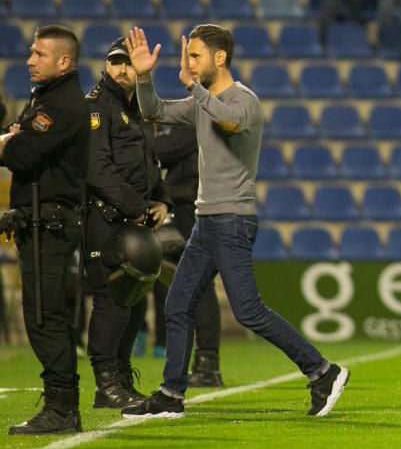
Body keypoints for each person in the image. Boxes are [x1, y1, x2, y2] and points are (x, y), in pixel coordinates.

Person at [120, 25, 349, 419]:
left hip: (232, 221)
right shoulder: (203, 101)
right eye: (188, 55)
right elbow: (153, 110)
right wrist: (144, 78)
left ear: (219, 57)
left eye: (195, 56)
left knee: (248, 310)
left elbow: (228, 122)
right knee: (177, 304)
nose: (188, 63)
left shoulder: (244, 100)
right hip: (208, 221)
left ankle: (323, 372)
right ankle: (171, 394)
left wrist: (193, 87)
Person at [2, 26, 89, 435]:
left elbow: (21, 154)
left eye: (38, 54)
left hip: (49, 225)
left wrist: (13, 141)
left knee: (45, 317)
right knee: (42, 315)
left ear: (63, 62)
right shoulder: (48, 99)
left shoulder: (63, 105)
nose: (29, 60)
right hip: (40, 221)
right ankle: (60, 406)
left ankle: (62, 408)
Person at [84, 38, 171, 410]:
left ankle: (120, 377)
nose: (121, 69)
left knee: (133, 303)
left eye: (127, 64)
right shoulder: (97, 106)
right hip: (104, 218)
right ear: (106, 66)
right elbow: (97, 169)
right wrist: (138, 206)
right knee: (110, 302)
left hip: (133, 220)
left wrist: (162, 198)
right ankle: (106, 383)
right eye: (114, 62)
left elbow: (149, 163)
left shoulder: (136, 110)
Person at [153, 122, 224, 387]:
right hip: (190, 204)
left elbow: (162, 150)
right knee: (195, 284)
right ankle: (205, 362)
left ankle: (207, 363)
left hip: (192, 207)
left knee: (198, 284)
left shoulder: (195, 121)